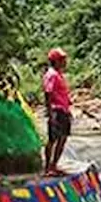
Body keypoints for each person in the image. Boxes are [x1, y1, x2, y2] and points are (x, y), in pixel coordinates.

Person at [42, 48, 73, 176]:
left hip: (63, 110)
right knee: (53, 139)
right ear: (55, 61)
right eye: (62, 59)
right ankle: (48, 168)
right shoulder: (52, 74)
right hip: (56, 111)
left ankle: (54, 165)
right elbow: (48, 93)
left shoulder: (58, 74)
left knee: (62, 138)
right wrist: (50, 112)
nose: (64, 62)